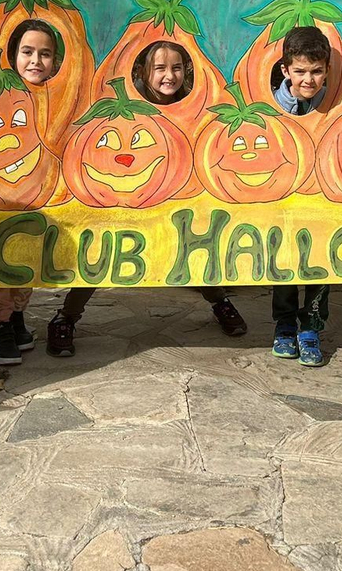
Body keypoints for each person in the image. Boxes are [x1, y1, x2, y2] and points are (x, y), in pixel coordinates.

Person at [47, 38, 246, 357]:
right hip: (128, 190)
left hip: (174, 188)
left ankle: (220, 302)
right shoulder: (122, 102)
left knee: (190, 245)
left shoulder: (193, 103)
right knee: (101, 250)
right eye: (160, 68)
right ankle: (66, 317)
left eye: (177, 68)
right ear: (142, 71)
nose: (170, 76)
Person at [0, 19, 61, 366]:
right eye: (27, 52)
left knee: (26, 256)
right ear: (13, 55)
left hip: (37, 189)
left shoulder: (58, 94)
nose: (36, 61)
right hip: (0, 189)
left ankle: (16, 315)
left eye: (45, 54)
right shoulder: (0, 94)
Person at [269, 25, 333, 366]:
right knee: (285, 258)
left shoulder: (334, 101)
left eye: (316, 71)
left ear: (327, 71)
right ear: (285, 70)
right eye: (300, 72)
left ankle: (311, 326)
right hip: (283, 192)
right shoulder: (275, 103)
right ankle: (284, 325)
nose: (308, 79)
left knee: (320, 260)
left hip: (320, 194)